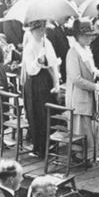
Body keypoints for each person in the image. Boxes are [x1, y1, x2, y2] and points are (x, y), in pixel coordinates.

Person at [65, 18, 99, 167]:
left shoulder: (87, 50)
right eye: (86, 36)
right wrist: (94, 86)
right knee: (80, 128)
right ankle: (79, 156)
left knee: (87, 127)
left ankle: (85, 155)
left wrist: (95, 72)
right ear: (78, 36)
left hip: (87, 95)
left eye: (90, 36)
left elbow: (88, 69)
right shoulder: (73, 52)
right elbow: (76, 78)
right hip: (78, 96)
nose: (89, 39)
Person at [20, 20, 60, 157]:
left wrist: (56, 81)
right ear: (32, 31)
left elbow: (53, 62)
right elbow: (30, 69)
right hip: (35, 83)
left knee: (49, 111)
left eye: (43, 29)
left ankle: (50, 142)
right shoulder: (29, 47)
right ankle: (39, 146)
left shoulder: (47, 43)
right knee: (38, 113)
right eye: (38, 30)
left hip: (47, 79)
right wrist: (38, 60)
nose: (41, 32)